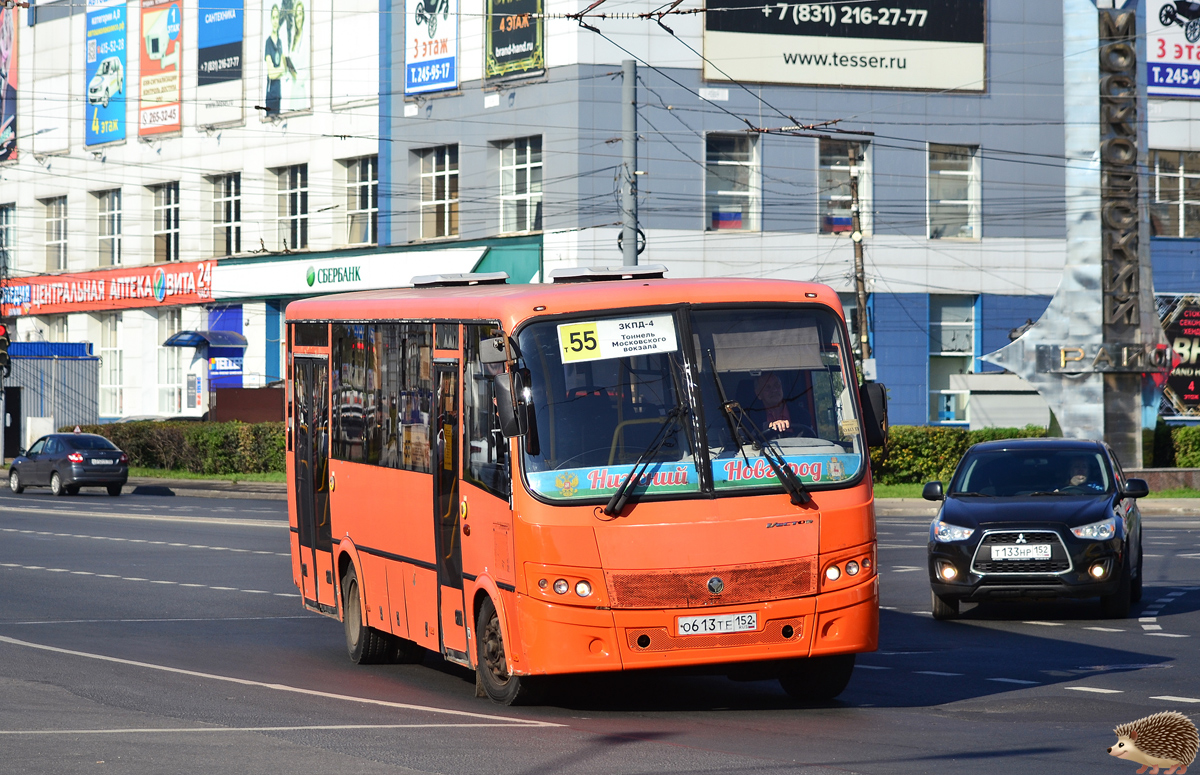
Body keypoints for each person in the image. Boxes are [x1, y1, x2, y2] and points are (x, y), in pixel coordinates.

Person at [263, 5, 284, 114]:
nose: (276, 21)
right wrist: (280, 70)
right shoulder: (268, 42)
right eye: (274, 17)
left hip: (278, 94)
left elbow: (283, 68)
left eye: (277, 17)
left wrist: (280, 70)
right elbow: (271, 73)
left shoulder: (280, 42)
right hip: (271, 95)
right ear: (271, 19)